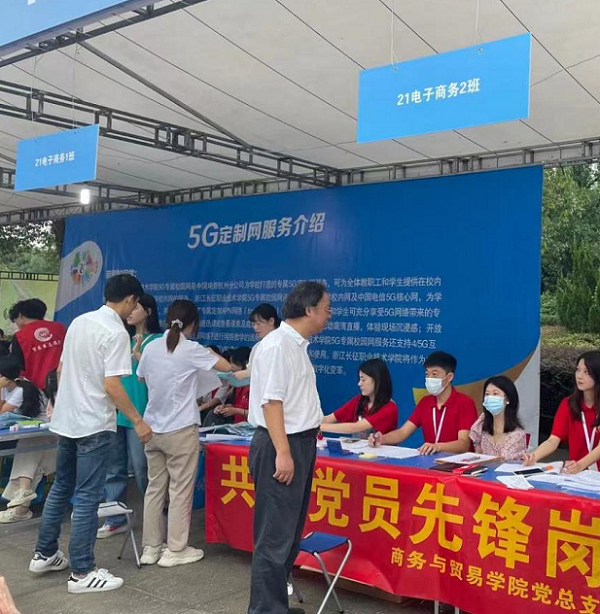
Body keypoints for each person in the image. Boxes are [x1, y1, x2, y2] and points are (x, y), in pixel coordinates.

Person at [28, 274, 153, 595]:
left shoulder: (80, 322)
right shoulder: (116, 332)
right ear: (130, 299)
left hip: (67, 420)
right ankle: (82, 572)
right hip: (93, 424)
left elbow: (61, 370)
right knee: (87, 496)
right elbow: (112, 385)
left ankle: (44, 554)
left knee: (62, 487)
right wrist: (138, 420)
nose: (134, 309)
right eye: (135, 303)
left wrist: (64, 403)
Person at [247, 281, 331, 614]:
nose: (329, 315)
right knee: (274, 538)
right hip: (281, 444)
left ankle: (275, 606)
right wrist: (283, 452)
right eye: (326, 309)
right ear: (309, 310)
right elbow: (272, 403)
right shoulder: (278, 346)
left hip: (300, 443)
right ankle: (265, 610)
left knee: (289, 534)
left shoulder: (295, 346)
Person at [137, 299, 232, 568]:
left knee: (155, 488)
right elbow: (226, 367)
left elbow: (142, 377)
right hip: (180, 429)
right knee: (180, 490)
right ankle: (176, 549)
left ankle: (151, 548)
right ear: (193, 324)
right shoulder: (191, 349)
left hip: (153, 428)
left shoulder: (151, 347)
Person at [98, 293, 162, 539]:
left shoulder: (158, 341)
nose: (131, 311)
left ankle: (156, 518)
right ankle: (116, 519)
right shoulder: (119, 338)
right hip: (117, 412)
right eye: (131, 306)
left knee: (142, 468)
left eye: (137, 307)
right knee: (114, 469)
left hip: (142, 414)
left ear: (148, 311)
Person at [369, 351, 478, 455]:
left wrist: (438, 447)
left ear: (449, 377)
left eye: (434, 374)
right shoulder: (425, 402)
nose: (429, 378)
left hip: (457, 463)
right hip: (431, 462)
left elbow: (463, 444)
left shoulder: (464, 403)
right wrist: (382, 439)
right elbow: (402, 432)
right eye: (427, 374)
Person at [0, 357, 56, 524]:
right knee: (31, 456)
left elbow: (2, 412)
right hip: (33, 437)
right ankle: (21, 505)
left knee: (28, 450)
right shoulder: (8, 389)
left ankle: (21, 508)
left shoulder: (21, 390)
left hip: (50, 436)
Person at [524, 350, 600, 471]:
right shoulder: (569, 404)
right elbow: (553, 440)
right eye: (578, 370)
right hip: (577, 474)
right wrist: (533, 456)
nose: (579, 376)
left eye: (586, 372)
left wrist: (581, 465)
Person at [321, 358, 398, 437]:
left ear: (377, 380)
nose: (359, 384)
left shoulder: (390, 407)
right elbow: (329, 419)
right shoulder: (360, 400)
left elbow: (355, 427)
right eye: (359, 379)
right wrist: (313, 422)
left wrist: (318, 427)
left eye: (363, 380)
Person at [8, 299, 66, 390]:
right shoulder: (60, 328)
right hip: (64, 381)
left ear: (20, 315)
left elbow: (16, 365)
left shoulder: (20, 336)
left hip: (36, 387)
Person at [469, 375, 527, 461]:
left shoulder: (517, 435)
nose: (490, 398)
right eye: (487, 394)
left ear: (507, 399)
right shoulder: (481, 425)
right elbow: (477, 455)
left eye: (495, 394)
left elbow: (504, 461)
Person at [204, 346, 252, 426]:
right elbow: (234, 404)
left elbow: (259, 415)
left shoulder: (254, 386)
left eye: (234, 363)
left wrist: (236, 411)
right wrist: (224, 407)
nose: (231, 367)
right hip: (236, 424)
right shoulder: (238, 384)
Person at [233, 303, 281, 382]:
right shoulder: (258, 347)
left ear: (271, 321)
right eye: (253, 324)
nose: (255, 327)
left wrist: (248, 374)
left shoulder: (283, 343)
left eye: (258, 324)